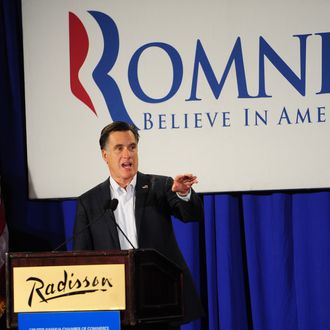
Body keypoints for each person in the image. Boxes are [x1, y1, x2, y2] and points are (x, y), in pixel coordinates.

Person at [73, 121, 204, 330]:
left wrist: (183, 193)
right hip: (113, 300)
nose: (128, 154)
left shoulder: (159, 186)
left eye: (132, 147)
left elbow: (192, 215)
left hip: (159, 297)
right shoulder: (89, 202)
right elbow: (81, 257)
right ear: (105, 155)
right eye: (119, 148)